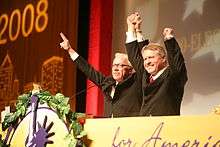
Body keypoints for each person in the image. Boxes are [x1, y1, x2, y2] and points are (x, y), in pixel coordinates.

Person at [59, 33, 142, 117]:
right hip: (109, 127)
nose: (116, 68)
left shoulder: (136, 82)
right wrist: (69, 49)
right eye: (114, 65)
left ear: (130, 70)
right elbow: (88, 70)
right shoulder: (107, 83)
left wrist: (137, 32)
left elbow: (141, 63)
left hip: (130, 127)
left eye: (120, 65)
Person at [125, 13, 188, 116]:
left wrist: (169, 40)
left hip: (166, 128)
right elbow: (134, 56)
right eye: (145, 59)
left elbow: (177, 63)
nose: (147, 62)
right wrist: (132, 29)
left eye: (151, 58)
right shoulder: (146, 76)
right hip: (145, 127)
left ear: (164, 59)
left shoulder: (172, 76)